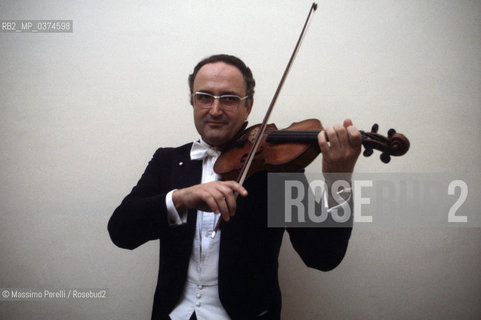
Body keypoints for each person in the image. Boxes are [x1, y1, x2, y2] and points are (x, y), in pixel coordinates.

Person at [108, 54, 362, 320]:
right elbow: (121, 231)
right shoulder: (168, 161)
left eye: (229, 99)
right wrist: (182, 198)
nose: (215, 110)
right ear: (193, 102)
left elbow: (323, 257)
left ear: (248, 106)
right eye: (204, 97)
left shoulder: (275, 167)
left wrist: (339, 178)